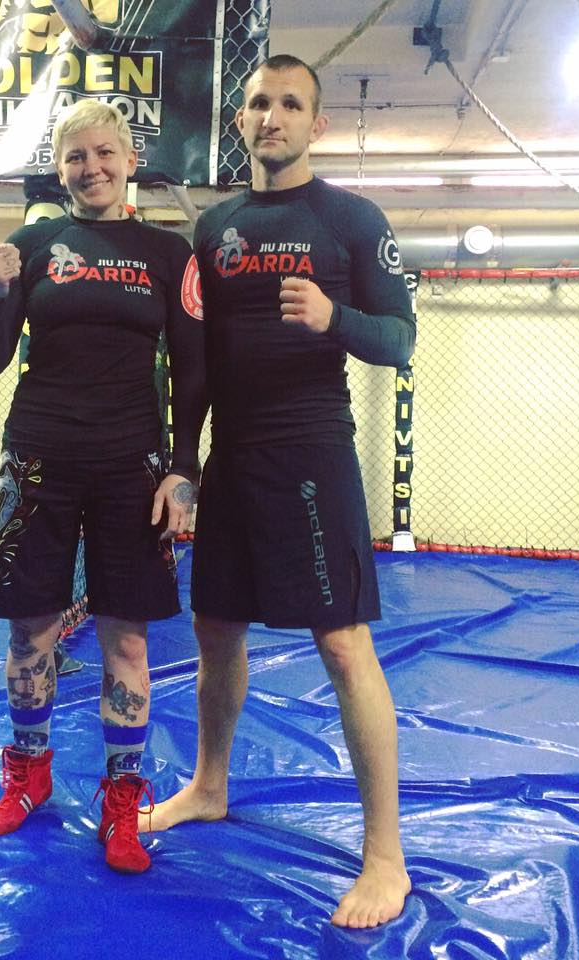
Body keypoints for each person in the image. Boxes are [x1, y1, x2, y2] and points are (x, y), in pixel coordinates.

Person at [142, 55, 416, 925]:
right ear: (241, 120)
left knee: (342, 643)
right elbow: (193, 366)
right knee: (215, 629)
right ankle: (209, 786)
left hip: (312, 454)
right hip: (235, 456)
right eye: (259, 102)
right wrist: (184, 462)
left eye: (291, 104)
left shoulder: (350, 219)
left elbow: (401, 339)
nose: (273, 116)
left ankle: (386, 858)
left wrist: (337, 319)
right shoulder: (215, 229)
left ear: (316, 124)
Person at [0, 98, 206, 874]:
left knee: (127, 638)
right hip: (39, 456)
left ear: (130, 161)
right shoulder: (32, 246)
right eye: (76, 156)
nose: (91, 168)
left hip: (130, 463)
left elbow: (194, 370)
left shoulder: (167, 253)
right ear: (60, 167)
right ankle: (28, 775)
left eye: (105, 153)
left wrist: (185, 468)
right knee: (29, 629)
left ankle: (122, 801)